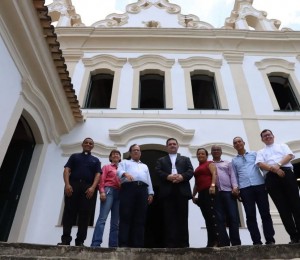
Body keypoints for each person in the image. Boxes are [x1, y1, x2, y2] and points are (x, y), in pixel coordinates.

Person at [256, 129, 300, 244]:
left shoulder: (282, 146)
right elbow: (260, 164)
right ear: (262, 139)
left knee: (296, 205)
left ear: (273, 136)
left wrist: (278, 165)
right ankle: (294, 236)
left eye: (269, 135)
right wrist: (274, 169)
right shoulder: (260, 151)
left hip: (286, 173)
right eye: (264, 136)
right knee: (283, 209)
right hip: (271, 178)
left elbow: (290, 155)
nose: (267, 137)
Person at [231, 136, 275, 245]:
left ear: (243, 143)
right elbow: (235, 176)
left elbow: (262, 168)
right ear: (234, 146)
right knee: (250, 216)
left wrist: (266, 183)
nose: (238, 144)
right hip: (245, 189)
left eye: (239, 141)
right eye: (235, 143)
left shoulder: (254, 154)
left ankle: (270, 239)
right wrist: (237, 188)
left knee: (265, 213)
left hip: (259, 185)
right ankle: (256, 241)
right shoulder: (234, 160)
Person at [58, 137, 101, 246]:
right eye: (86, 142)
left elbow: (98, 174)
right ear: (82, 144)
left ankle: (80, 241)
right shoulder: (74, 156)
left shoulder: (96, 160)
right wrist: (67, 184)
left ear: (92, 146)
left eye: (90, 143)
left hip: (88, 188)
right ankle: (65, 240)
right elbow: (67, 170)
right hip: (73, 186)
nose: (88, 144)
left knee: (85, 214)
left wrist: (93, 187)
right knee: (68, 212)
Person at [156, 138, 194, 248]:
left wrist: (182, 177)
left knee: (183, 218)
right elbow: (158, 171)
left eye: (174, 144)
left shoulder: (185, 159)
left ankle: (184, 244)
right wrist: (168, 176)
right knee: (169, 219)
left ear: (178, 146)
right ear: (166, 147)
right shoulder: (161, 160)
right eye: (170, 144)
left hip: (181, 190)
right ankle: (170, 244)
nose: (172, 145)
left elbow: (190, 171)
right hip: (168, 192)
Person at [117, 144, 154, 248]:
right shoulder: (124, 162)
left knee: (140, 218)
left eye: (138, 150)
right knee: (125, 216)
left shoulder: (145, 166)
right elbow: (118, 171)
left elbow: (149, 179)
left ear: (140, 153)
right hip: (128, 188)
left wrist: (150, 193)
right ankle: (123, 244)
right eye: (134, 150)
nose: (136, 152)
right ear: (130, 152)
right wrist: (125, 174)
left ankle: (138, 245)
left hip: (142, 190)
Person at [211, 145, 241, 246]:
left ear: (221, 152)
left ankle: (236, 243)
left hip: (229, 192)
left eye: (218, 150)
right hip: (216, 193)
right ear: (211, 152)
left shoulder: (227, 163)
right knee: (219, 219)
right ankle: (224, 243)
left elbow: (232, 176)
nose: (216, 151)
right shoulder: (209, 164)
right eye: (214, 150)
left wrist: (235, 187)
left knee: (233, 217)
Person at [91, 149, 121, 248]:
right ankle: (96, 243)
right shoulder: (106, 167)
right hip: (109, 191)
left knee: (115, 222)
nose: (116, 155)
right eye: (113, 154)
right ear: (110, 157)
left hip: (119, 193)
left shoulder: (122, 168)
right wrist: (102, 191)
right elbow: (102, 180)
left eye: (117, 154)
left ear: (120, 157)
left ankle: (113, 245)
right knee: (102, 218)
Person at [192, 148, 220, 247]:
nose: (200, 155)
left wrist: (212, 185)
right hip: (201, 193)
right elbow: (196, 183)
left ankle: (217, 241)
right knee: (207, 218)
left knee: (213, 216)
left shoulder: (210, 163)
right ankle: (211, 242)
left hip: (210, 190)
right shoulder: (197, 168)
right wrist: (193, 195)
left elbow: (214, 174)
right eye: (198, 154)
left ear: (206, 155)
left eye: (202, 154)